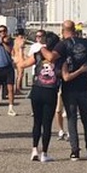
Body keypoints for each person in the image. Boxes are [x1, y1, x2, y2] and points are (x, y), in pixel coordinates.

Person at [45, 20, 87, 160]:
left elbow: (52, 58)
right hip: (84, 85)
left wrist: (42, 48)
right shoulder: (86, 43)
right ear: (75, 29)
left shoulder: (62, 44)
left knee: (72, 119)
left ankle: (74, 151)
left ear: (63, 29)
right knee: (86, 119)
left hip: (69, 86)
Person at [20, 30, 60, 162]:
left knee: (36, 121)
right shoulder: (59, 57)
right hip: (50, 90)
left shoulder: (37, 54)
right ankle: (45, 153)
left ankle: (34, 149)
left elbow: (22, 64)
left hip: (37, 89)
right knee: (47, 123)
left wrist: (20, 50)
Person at [0, 25, 16, 116]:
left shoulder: (10, 41)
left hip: (8, 66)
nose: (2, 33)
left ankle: (11, 108)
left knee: (10, 88)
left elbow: (9, 50)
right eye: (0, 31)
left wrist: (4, 42)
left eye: (4, 31)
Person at [13, 28, 27, 94]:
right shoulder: (22, 41)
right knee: (20, 75)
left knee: (18, 75)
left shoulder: (15, 41)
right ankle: (18, 89)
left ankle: (18, 87)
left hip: (15, 58)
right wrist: (23, 59)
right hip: (20, 58)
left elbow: (12, 51)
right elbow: (21, 51)